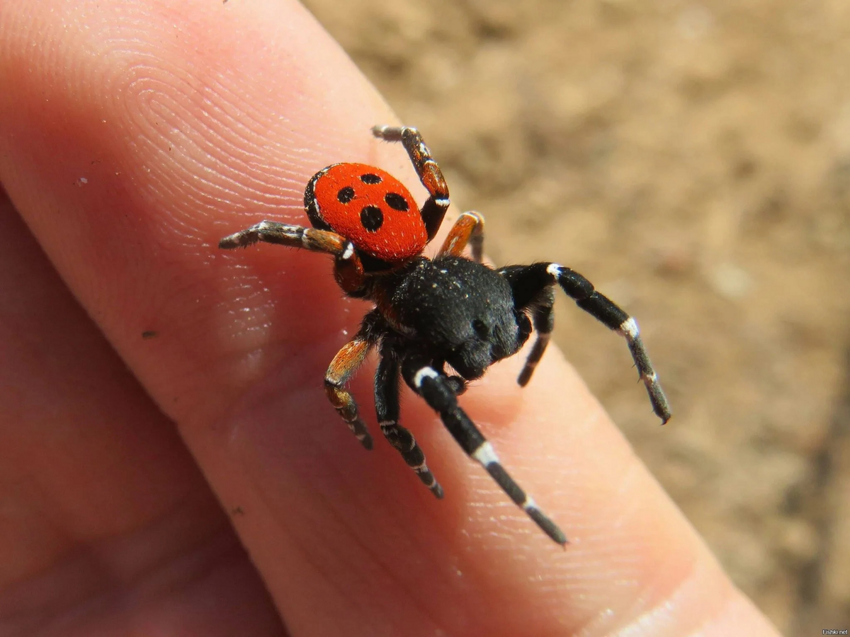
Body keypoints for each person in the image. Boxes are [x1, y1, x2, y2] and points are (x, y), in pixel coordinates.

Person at [0, 1, 781, 634]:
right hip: (381, 241)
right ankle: (496, 472)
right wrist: (386, 432)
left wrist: (577, 335)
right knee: (368, 383)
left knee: (544, 272)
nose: (483, 363)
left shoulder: (463, 245)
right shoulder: (376, 305)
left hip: (419, 246)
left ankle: (630, 352)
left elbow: (532, 275)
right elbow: (349, 378)